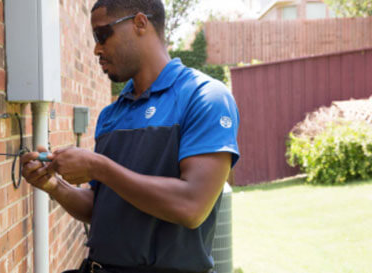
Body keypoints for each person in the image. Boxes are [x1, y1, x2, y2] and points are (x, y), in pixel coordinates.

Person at [21, 0, 240, 272]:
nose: (96, 49)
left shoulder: (204, 97)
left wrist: (98, 167)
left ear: (140, 23)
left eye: (102, 35)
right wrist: (54, 186)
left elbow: (192, 207)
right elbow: (99, 207)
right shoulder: (111, 114)